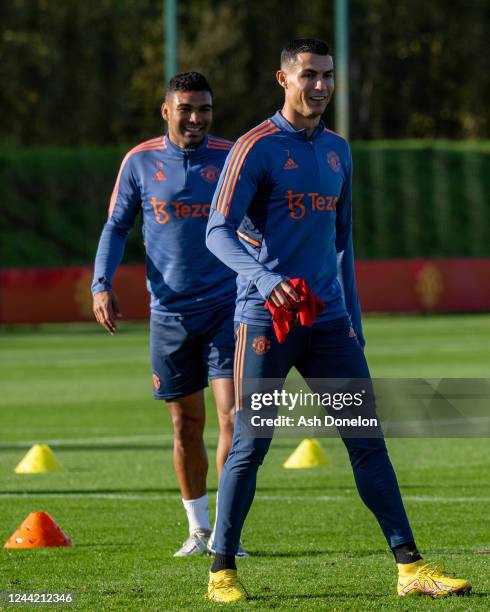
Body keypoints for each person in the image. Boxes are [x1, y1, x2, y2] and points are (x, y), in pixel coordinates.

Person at [203, 39, 471, 601]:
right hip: (264, 324)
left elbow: (343, 243)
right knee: (252, 443)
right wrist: (268, 282)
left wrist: (353, 321)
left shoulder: (338, 152)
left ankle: (409, 568)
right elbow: (217, 232)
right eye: (309, 75)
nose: (320, 86)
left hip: (329, 328)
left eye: (327, 76)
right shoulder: (255, 148)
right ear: (283, 78)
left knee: (368, 442)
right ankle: (221, 570)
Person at [92, 72, 247, 557]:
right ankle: (198, 529)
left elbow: (258, 219)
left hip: (228, 305)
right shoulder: (139, 161)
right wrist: (102, 283)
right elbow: (116, 226)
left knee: (234, 417)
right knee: (186, 425)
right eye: (186, 109)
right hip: (170, 314)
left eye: (205, 108)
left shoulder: (231, 156)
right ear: (167, 111)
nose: (197, 118)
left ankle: (226, 533)